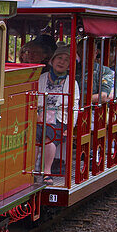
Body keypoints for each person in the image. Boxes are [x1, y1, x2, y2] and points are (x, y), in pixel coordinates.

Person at [37, 45, 79, 182]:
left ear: (69, 65)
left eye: (66, 60)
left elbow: (74, 106)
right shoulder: (42, 78)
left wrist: (71, 126)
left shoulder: (72, 82)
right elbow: (34, 100)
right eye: (59, 58)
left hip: (60, 119)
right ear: (52, 61)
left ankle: (47, 172)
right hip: (39, 117)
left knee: (49, 133)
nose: (61, 62)